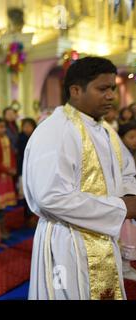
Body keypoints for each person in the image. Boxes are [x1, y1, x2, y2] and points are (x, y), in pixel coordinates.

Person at [23, 56, 136, 300]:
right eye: (102, 89)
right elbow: (50, 197)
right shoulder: (56, 130)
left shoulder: (104, 129)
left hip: (104, 236)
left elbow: (126, 169)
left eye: (113, 89)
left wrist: (129, 194)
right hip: (69, 241)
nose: (111, 96)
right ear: (75, 90)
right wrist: (121, 207)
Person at [118, 121, 136, 281]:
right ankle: (123, 267)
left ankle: (126, 266)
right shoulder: (119, 155)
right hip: (125, 202)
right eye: (131, 137)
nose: (135, 140)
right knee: (125, 237)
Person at [17, 118, 37, 228]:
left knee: (34, 193)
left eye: (29, 126)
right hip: (24, 169)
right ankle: (28, 217)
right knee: (27, 195)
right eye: (25, 126)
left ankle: (32, 216)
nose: (27, 128)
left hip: (34, 169)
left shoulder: (37, 136)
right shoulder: (20, 138)